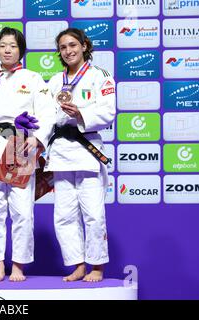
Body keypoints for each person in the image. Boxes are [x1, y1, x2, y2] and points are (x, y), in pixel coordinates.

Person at [0, 27, 55, 282]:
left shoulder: (33, 78)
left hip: (20, 146)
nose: (7, 49)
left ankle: (18, 265)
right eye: (3, 45)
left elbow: (47, 113)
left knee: (22, 210)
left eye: (13, 46)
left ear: (21, 50)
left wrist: (36, 140)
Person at [45, 28, 116, 282]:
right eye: (63, 47)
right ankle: (77, 264)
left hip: (87, 150)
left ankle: (96, 265)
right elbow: (46, 118)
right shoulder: (54, 81)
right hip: (62, 152)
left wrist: (80, 114)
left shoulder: (100, 77)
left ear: (85, 46)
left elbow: (108, 112)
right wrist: (36, 142)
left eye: (73, 45)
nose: (68, 51)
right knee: (64, 214)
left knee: (93, 213)